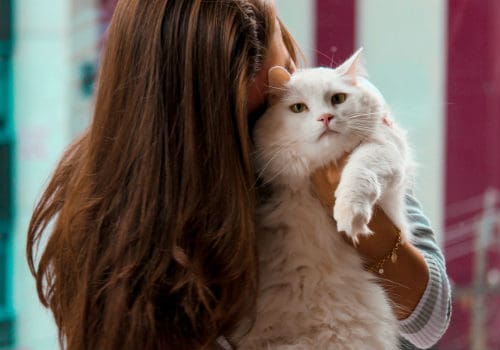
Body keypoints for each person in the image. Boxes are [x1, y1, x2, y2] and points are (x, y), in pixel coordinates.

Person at [26, 0, 450, 349]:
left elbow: (429, 318)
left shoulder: (342, 108)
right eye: (255, 112)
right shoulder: (129, 217)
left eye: (282, 74)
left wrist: (354, 203)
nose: (280, 109)